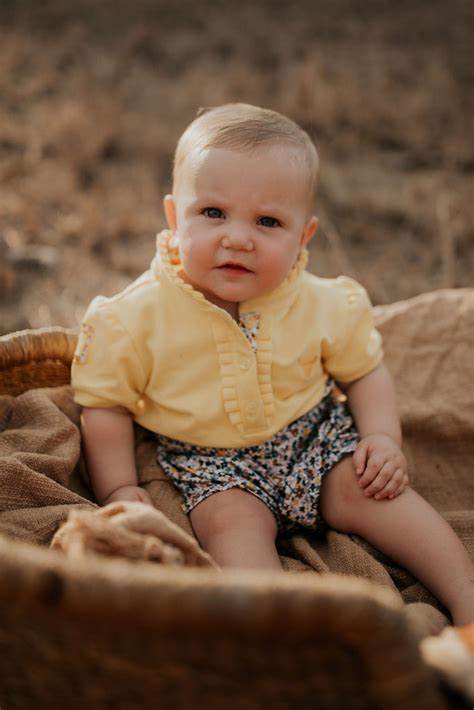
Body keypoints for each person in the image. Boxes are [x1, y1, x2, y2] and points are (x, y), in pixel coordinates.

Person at [71, 102, 474, 625]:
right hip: (213, 462)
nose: (238, 237)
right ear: (174, 218)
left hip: (311, 435)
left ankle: (466, 597)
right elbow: (105, 406)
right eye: (213, 213)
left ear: (303, 235)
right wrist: (121, 488)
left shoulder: (323, 301)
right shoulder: (133, 319)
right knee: (233, 530)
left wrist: (381, 438)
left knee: (381, 493)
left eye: (267, 221)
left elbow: (364, 371)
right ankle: (284, 637)